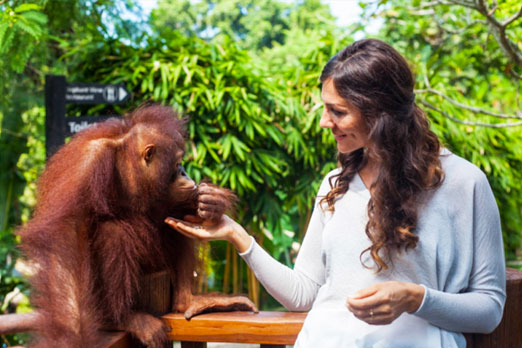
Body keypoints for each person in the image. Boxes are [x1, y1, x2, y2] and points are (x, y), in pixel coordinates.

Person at [165, 38, 506, 348]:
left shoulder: (465, 183)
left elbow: (489, 308)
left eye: (338, 111)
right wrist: (237, 235)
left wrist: (416, 299)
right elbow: (303, 294)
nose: (325, 122)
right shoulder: (335, 185)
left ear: (381, 113)